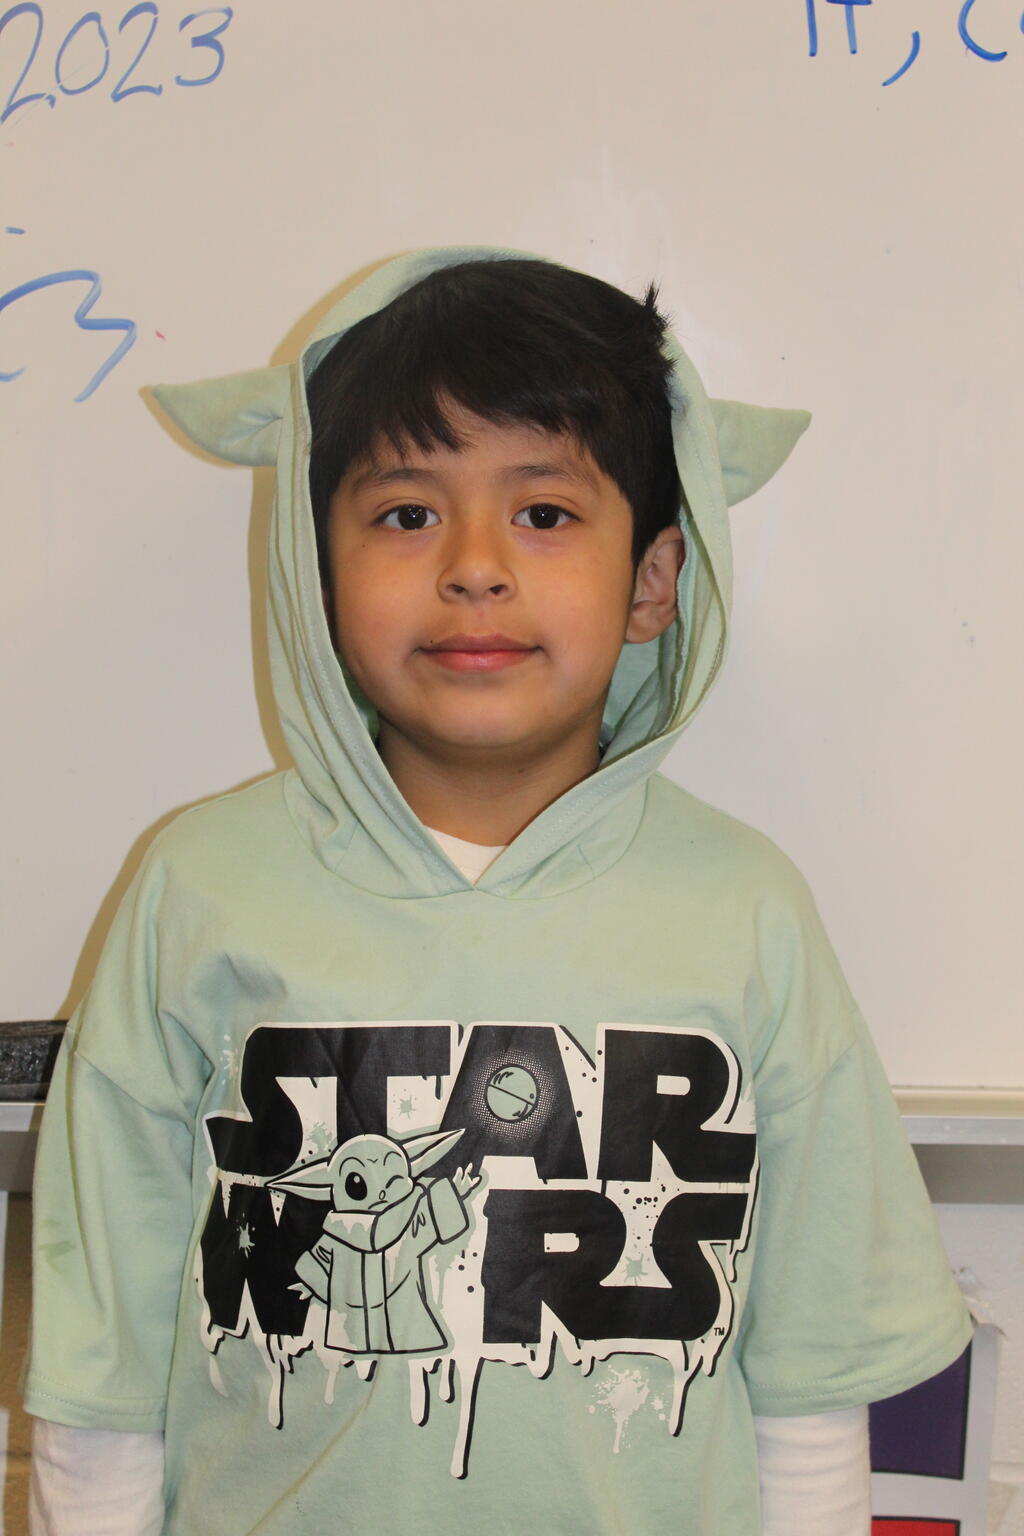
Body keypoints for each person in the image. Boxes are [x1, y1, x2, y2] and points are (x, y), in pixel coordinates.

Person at [25, 246, 971, 1535]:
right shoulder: (198, 890)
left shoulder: (747, 909)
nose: (474, 566)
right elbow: (104, 1367)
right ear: (316, 570)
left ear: (652, 581)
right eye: (407, 515)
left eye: (546, 513)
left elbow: (807, 1383)